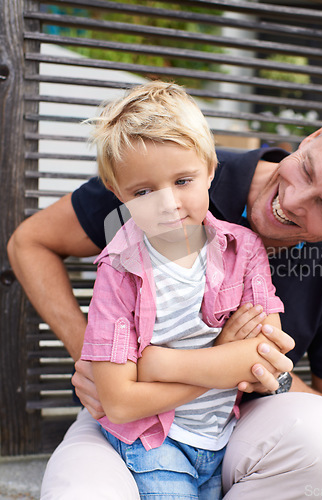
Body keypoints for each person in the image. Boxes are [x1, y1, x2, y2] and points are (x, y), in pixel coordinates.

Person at [7, 95, 322, 499]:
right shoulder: (167, 169)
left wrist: (268, 374)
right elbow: (31, 243)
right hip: (129, 424)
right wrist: (96, 358)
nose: (292, 201)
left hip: (240, 428)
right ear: (314, 136)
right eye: (309, 171)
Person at [79, 81, 289, 498]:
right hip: (151, 443)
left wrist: (156, 365)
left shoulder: (242, 248)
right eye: (143, 191)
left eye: (183, 180)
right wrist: (219, 360)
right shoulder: (119, 271)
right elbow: (120, 403)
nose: (168, 203)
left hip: (221, 437)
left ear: (210, 169)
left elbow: (264, 357)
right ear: (118, 193)